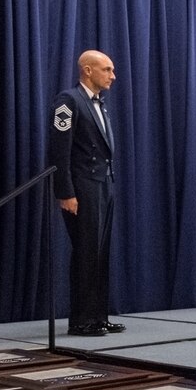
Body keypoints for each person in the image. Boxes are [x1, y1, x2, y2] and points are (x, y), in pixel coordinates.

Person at [48, 50, 125, 337]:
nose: (113, 76)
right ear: (88, 71)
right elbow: (59, 149)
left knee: (100, 253)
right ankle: (81, 320)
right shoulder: (68, 101)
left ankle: (98, 317)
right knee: (86, 253)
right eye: (107, 70)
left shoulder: (99, 104)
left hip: (104, 184)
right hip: (82, 188)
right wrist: (65, 191)